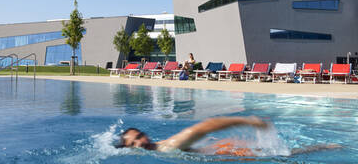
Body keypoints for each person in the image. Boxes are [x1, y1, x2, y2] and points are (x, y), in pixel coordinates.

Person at [115, 116, 340, 156]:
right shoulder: (159, 148)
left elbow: (205, 127)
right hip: (223, 148)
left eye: (139, 136)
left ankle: (326, 147)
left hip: (229, 152)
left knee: (286, 156)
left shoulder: (168, 146)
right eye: (133, 141)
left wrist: (248, 121)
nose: (139, 141)